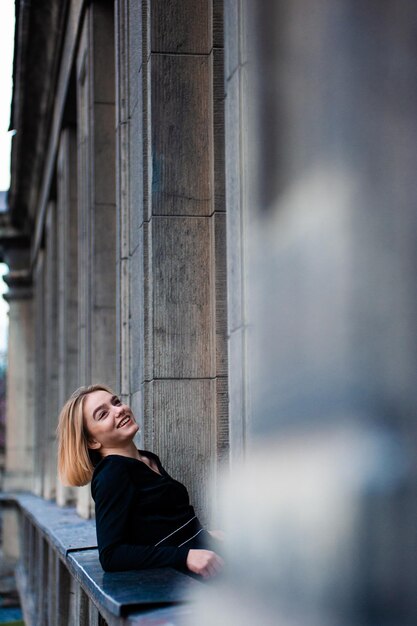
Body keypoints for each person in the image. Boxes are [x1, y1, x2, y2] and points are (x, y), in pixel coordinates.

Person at [57, 384, 224, 579]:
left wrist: (206, 535)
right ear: (92, 442)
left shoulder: (147, 459)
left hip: (209, 562)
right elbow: (111, 556)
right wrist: (184, 556)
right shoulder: (112, 473)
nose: (119, 410)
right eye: (103, 414)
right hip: (186, 581)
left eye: (116, 402)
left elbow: (162, 527)